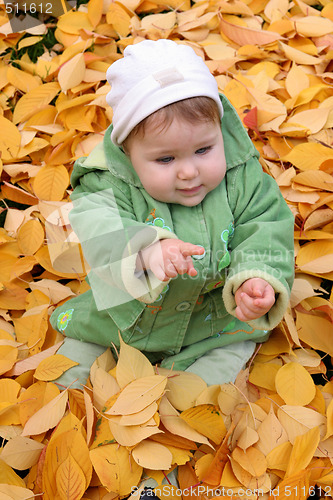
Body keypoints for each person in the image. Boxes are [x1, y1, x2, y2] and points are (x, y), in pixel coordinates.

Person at [50, 39, 294, 388]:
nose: (189, 172)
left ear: (219, 134)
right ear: (128, 154)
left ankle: (190, 400)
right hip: (125, 316)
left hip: (213, 318)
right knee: (69, 372)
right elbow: (96, 225)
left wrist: (255, 278)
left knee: (205, 385)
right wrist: (146, 250)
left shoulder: (242, 178)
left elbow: (265, 225)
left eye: (203, 149)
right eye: (166, 159)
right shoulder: (108, 182)